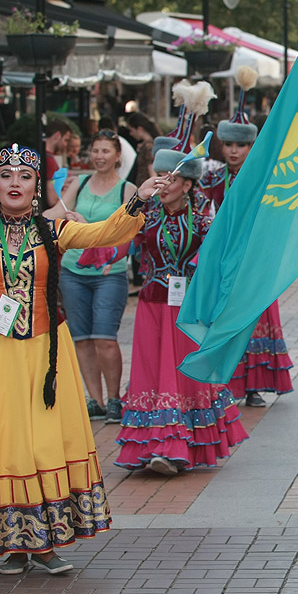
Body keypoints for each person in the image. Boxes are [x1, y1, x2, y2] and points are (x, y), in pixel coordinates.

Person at [0, 143, 160, 573]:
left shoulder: (54, 233)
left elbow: (106, 233)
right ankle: (14, 545)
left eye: (24, 177)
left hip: (45, 356)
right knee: (7, 442)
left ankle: (45, 543)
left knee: (43, 441)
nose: (15, 183)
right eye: (6, 177)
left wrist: (139, 198)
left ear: (38, 187)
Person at [115, 138, 249, 475]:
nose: (162, 184)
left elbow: (220, 254)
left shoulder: (203, 213)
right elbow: (119, 237)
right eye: (158, 175)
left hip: (187, 309)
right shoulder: (146, 212)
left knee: (182, 374)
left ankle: (176, 448)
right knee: (150, 374)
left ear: (187, 184)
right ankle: (149, 446)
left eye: (170, 178)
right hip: (151, 304)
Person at [199, 67, 294, 406]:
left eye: (242, 145)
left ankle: (252, 385)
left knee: (252, 319)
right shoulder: (211, 179)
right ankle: (229, 383)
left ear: (253, 145)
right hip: (224, 262)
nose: (235, 151)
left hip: (256, 261)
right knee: (224, 320)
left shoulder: (266, 181)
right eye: (229, 145)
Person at [56, 131, 136, 423]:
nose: (99, 156)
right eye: (96, 150)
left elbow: (131, 229)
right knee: (82, 338)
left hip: (109, 273)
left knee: (104, 337)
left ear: (117, 156)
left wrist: (115, 252)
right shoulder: (80, 183)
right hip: (74, 270)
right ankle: (96, 400)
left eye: (106, 151)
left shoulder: (127, 189)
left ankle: (114, 398)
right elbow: (58, 212)